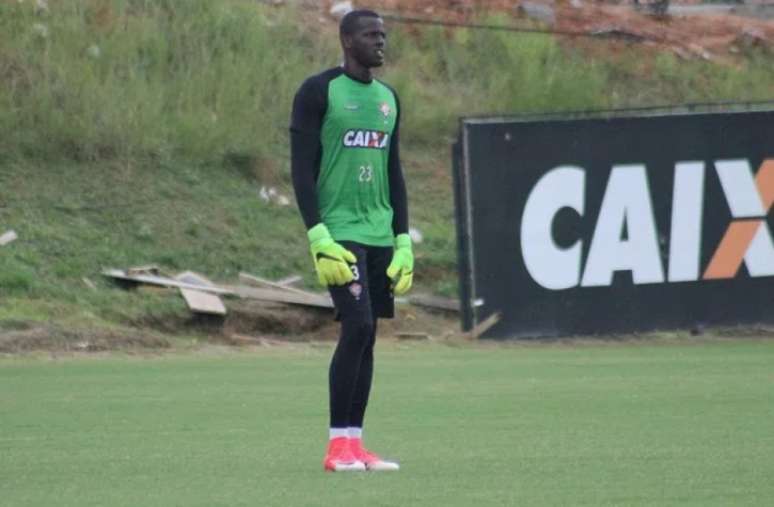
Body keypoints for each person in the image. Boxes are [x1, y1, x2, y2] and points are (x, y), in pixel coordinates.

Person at [289, 9, 413, 472]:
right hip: (340, 233)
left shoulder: (388, 99)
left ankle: (355, 445)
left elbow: (393, 173)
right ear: (346, 40)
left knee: (370, 336)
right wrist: (316, 233)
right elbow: (301, 168)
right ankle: (335, 447)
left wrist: (404, 240)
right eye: (370, 34)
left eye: (383, 34)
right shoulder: (318, 91)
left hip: (380, 233)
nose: (380, 42)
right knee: (356, 327)